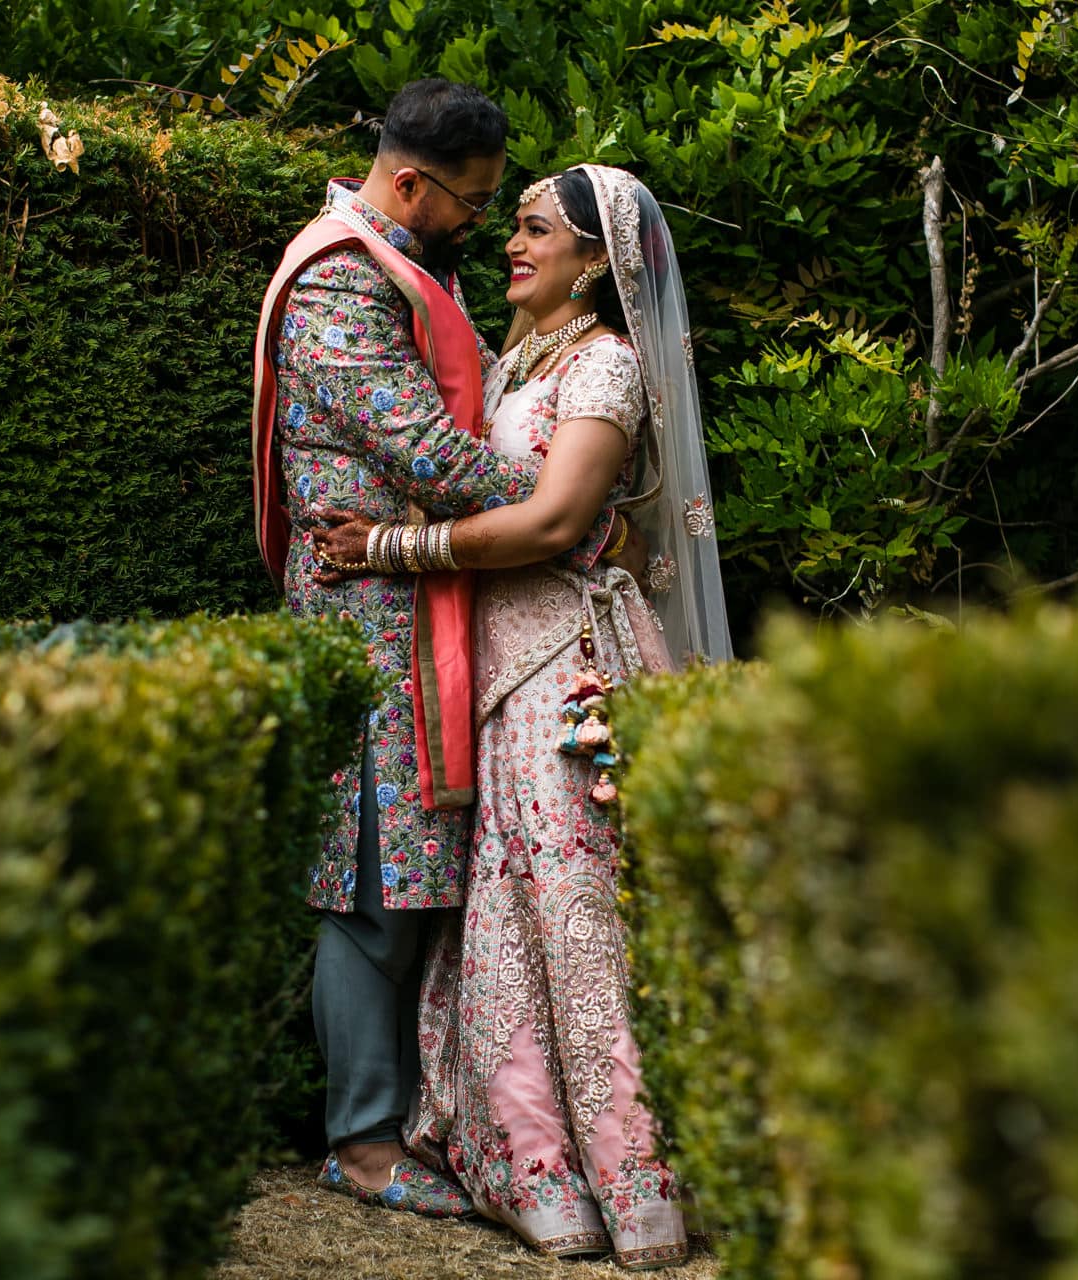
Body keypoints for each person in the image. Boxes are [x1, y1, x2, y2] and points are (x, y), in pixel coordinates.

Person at [310, 164, 732, 1269]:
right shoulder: (513, 364)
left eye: (536, 229)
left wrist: (391, 546)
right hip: (490, 669)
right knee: (503, 917)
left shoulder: (607, 366)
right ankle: (530, 1169)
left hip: (563, 669)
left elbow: (550, 524)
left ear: (596, 261)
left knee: (580, 912)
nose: (512, 243)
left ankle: (631, 1176)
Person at [249, 81, 624, 1218]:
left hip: (421, 602)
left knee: (415, 876)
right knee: (369, 879)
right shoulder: (337, 280)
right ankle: (360, 1142)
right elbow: (429, 452)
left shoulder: (403, 266)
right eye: (469, 199)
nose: (480, 223)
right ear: (410, 182)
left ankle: (415, 1117)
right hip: (368, 617)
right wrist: (579, 506)